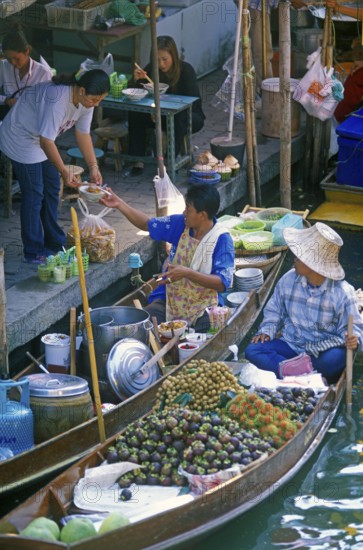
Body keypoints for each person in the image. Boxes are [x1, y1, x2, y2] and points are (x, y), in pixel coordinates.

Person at [0, 69, 110, 263]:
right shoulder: (58, 99)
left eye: (100, 100)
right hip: (20, 137)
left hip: (40, 138)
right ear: (82, 90)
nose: (96, 104)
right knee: (34, 193)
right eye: (94, 100)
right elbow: (46, 141)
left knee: (51, 187)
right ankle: (34, 251)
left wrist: (94, 166)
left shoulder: (87, 101)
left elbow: (83, 134)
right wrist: (64, 170)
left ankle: (54, 241)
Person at [100, 184, 234, 331]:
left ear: (202, 215)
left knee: (207, 331)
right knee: (142, 325)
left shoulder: (221, 239)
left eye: (188, 210)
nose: (184, 213)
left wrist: (187, 273)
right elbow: (147, 224)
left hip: (204, 304)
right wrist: (119, 204)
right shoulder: (180, 224)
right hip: (170, 298)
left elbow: (222, 283)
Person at [245, 222, 363, 384]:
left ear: (312, 264)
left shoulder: (343, 292)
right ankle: (301, 374)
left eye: (299, 256)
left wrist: (354, 340)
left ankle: (292, 371)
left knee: (333, 360)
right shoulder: (288, 279)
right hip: (292, 345)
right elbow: (274, 312)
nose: (294, 259)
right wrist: (267, 331)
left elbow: (355, 330)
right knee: (253, 350)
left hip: (323, 351)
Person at [126, 35, 205, 176]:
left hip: (189, 116)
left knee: (178, 117)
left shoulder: (186, 70)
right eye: (157, 60)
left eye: (165, 59)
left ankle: (170, 161)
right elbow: (141, 91)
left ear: (173, 56)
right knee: (135, 113)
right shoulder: (151, 68)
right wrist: (138, 80)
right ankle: (138, 159)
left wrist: (168, 100)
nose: (161, 64)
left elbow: (194, 101)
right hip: (160, 115)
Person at [0, 26, 52, 120]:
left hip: (33, 122)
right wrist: (6, 100)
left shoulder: (44, 73)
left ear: (27, 51)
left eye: (16, 58)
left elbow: (48, 106)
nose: (13, 63)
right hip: (10, 119)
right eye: (8, 59)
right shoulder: (4, 66)